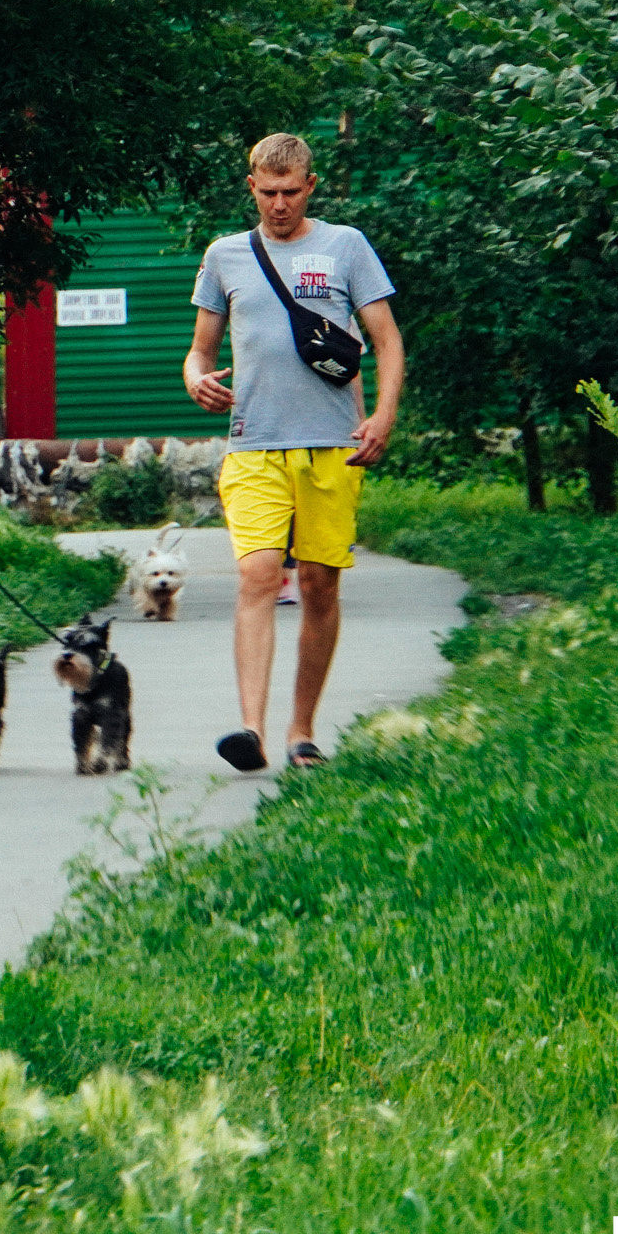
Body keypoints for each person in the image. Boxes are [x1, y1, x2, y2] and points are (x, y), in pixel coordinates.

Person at [182, 133, 405, 771]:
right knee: (257, 575)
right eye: (267, 192)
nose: (278, 204)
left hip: (333, 444)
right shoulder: (225, 255)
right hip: (254, 443)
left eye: (290, 192)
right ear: (250, 187)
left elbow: (386, 340)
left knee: (318, 585)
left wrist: (383, 416)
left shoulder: (345, 246)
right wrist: (196, 376)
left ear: (310, 187)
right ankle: (249, 730)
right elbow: (200, 347)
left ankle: (300, 730)